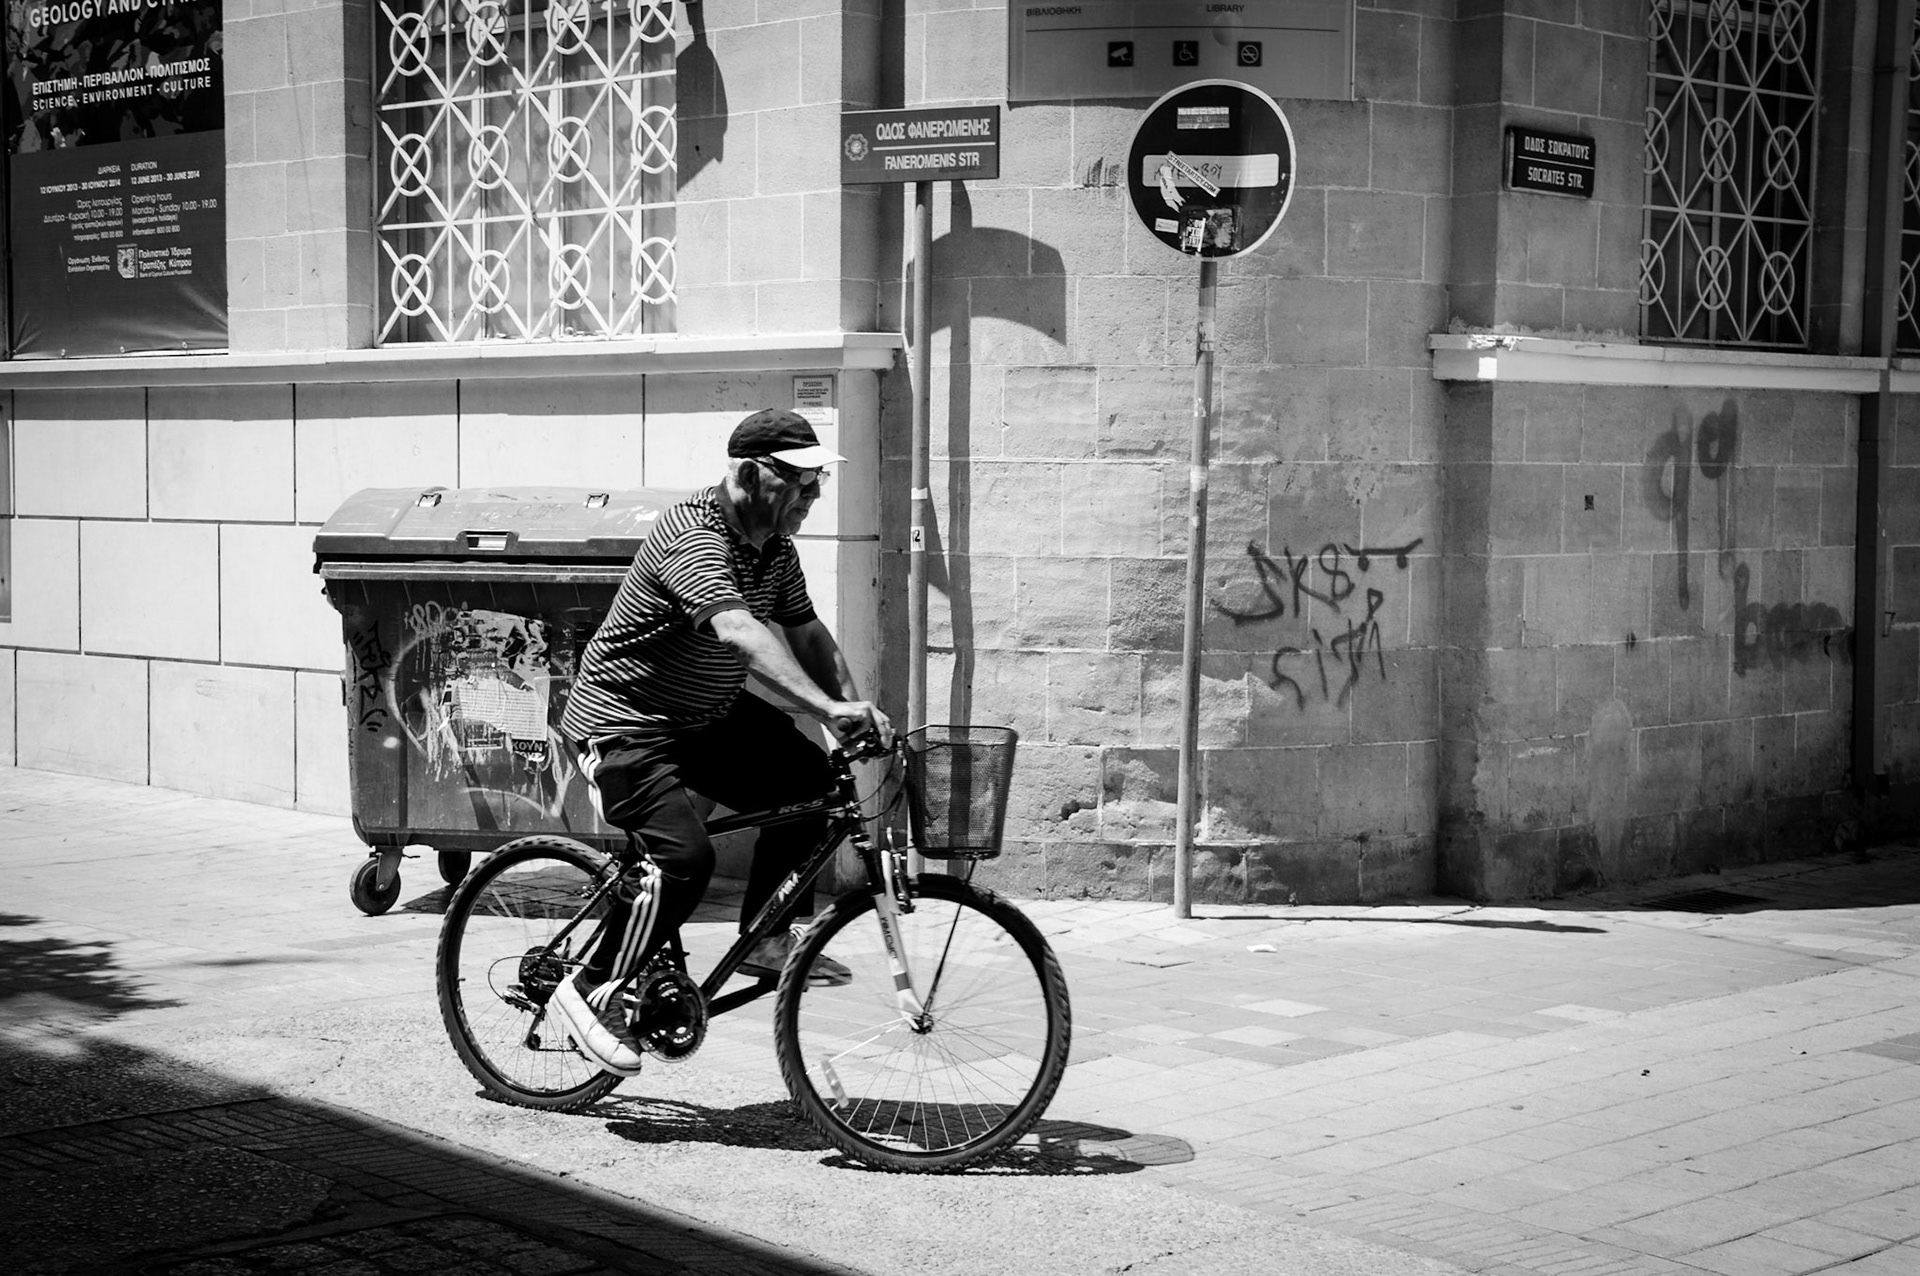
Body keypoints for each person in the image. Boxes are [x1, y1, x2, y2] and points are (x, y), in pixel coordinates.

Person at [552, 408, 893, 1076]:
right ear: (749, 473)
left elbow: (808, 634)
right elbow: (738, 631)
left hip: (704, 716)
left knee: (815, 786)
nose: (814, 494)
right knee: (684, 860)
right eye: (801, 480)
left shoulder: (774, 549)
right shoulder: (694, 538)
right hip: (625, 723)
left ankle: (767, 937)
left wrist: (844, 713)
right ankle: (591, 989)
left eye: (818, 478)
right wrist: (823, 706)